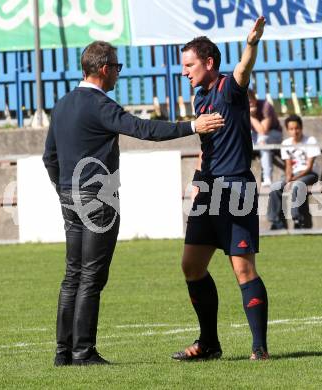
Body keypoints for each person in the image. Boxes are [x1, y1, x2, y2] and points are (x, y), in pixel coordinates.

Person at [42, 40, 224, 367]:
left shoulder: (63, 104)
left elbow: (49, 157)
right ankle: (84, 352)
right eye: (116, 67)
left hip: (70, 196)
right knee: (92, 276)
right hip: (97, 198)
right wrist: (191, 126)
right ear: (103, 69)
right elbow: (142, 129)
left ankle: (63, 352)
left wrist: (63, 189)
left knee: (72, 275)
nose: (117, 74)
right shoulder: (100, 104)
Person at [173, 16, 269, 361]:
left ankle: (259, 347)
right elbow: (205, 149)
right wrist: (198, 184)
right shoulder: (200, 101)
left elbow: (244, 69)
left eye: (189, 65)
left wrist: (252, 44)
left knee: (242, 268)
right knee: (191, 266)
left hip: (237, 188)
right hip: (209, 190)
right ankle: (209, 343)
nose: (184, 72)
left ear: (209, 62)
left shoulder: (229, 87)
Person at [267, 114, 321, 230]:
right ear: (287, 130)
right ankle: (277, 222)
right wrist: (287, 178)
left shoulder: (310, 140)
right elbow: (288, 165)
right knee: (275, 187)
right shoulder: (286, 143)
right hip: (293, 175)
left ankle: (298, 220)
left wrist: (293, 179)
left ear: (301, 128)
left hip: (309, 174)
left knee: (297, 186)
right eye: (291, 129)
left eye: (297, 128)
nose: (295, 131)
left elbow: (309, 167)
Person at [248, 89, 282, 186]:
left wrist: (251, 116)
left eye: (250, 101)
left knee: (263, 141)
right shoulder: (240, 108)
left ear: (254, 99)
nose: (248, 104)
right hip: (255, 135)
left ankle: (267, 177)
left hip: (274, 134)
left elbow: (263, 131)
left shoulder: (265, 106)